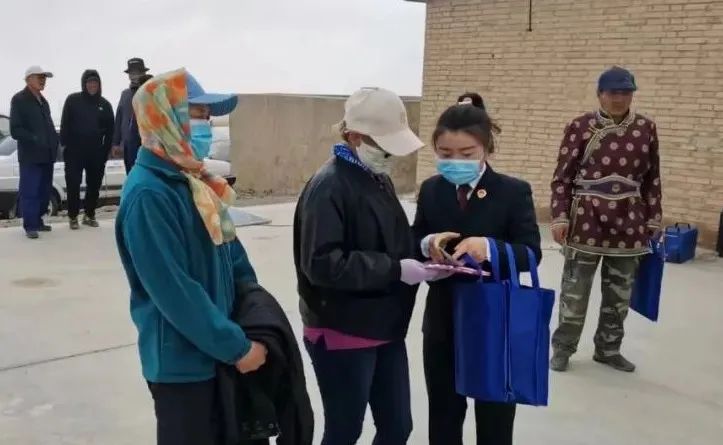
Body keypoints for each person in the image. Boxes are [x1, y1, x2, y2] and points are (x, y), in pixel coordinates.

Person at [115, 68, 266, 445]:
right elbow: (175, 291)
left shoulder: (193, 182)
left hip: (217, 352)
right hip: (182, 367)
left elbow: (231, 255)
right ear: (165, 119)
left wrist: (255, 312)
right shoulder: (148, 196)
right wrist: (235, 347)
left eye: (208, 117)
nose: (207, 126)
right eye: (197, 115)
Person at [293, 87, 443, 445]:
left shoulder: (376, 178)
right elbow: (322, 263)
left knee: (397, 426)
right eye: (384, 147)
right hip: (342, 327)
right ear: (355, 136)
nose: (390, 157)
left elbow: (391, 239)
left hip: (385, 324)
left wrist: (424, 249)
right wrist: (395, 270)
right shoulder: (329, 187)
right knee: (345, 430)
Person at [412, 104, 542, 445]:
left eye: (466, 153)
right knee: (443, 411)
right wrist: (427, 244)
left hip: (493, 318)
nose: (455, 161)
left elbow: (531, 253)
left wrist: (490, 247)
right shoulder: (432, 189)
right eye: (445, 153)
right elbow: (413, 238)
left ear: (486, 148)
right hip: (443, 317)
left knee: (494, 415)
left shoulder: (513, 191)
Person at [549, 66, 663, 373]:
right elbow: (562, 178)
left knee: (619, 295)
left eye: (626, 92)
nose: (619, 98)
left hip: (630, 220)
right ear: (600, 94)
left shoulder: (646, 128)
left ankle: (608, 349)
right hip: (586, 217)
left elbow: (652, 178)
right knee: (575, 291)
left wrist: (653, 218)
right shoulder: (580, 126)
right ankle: (563, 348)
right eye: (613, 92)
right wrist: (559, 217)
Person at [60, 69, 115, 229]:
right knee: (73, 184)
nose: (92, 85)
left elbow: (111, 131)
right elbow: (64, 124)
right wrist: (65, 144)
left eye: (95, 82)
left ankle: (89, 215)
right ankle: (73, 217)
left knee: (94, 185)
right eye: (89, 82)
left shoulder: (105, 105)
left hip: (96, 152)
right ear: (84, 84)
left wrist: (105, 151)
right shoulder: (72, 100)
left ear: (99, 84)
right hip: (74, 152)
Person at [9, 66, 59, 239]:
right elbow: (15, 129)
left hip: (47, 155)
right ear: (29, 79)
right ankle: (30, 225)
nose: (43, 80)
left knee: (44, 191)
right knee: (30, 191)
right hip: (30, 156)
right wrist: (34, 138)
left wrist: (54, 142)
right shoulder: (19, 100)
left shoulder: (43, 101)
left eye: (44, 78)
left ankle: (38, 221)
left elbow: (49, 126)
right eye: (40, 77)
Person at [111, 57, 152, 173]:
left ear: (143, 73)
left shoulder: (152, 91)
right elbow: (119, 119)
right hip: (129, 145)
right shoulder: (125, 94)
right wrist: (115, 143)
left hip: (148, 144)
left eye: (137, 72)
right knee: (131, 175)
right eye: (131, 73)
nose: (134, 75)